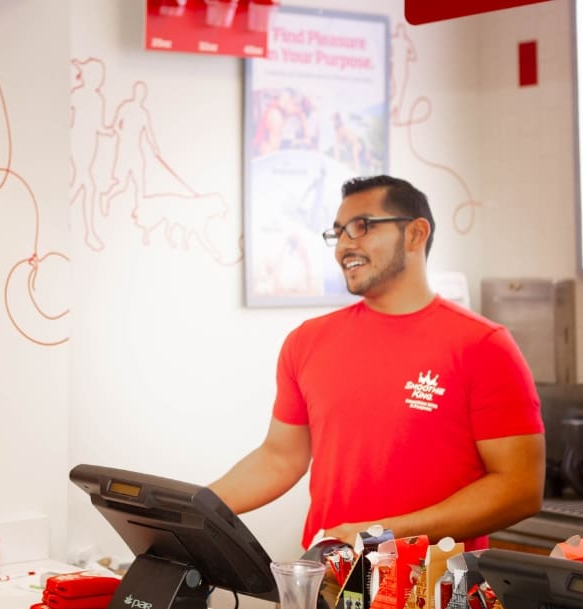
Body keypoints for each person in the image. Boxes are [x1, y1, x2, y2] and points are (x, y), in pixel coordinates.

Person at [210, 175, 545, 552]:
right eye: (338, 233)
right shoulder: (307, 341)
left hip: (431, 595)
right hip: (329, 580)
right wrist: (197, 509)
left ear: (416, 235)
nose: (344, 246)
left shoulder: (483, 345)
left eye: (361, 227)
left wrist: (382, 534)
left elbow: (520, 489)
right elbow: (279, 457)